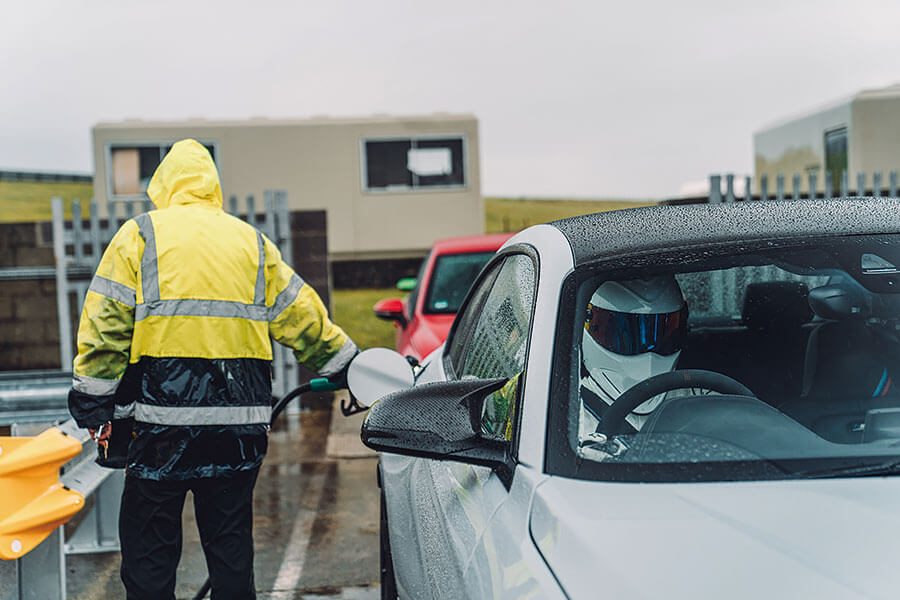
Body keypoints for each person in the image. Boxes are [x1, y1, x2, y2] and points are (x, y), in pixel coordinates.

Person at [66, 139, 357, 600]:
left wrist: (93, 400)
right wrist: (344, 364)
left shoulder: (141, 235)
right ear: (212, 186)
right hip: (236, 431)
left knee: (149, 555)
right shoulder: (251, 243)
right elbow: (300, 315)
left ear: (163, 185)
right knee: (230, 552)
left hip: (158, 431)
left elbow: (106, 326)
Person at [580, 276, 688, 435]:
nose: (649, 356)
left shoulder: (703, 399)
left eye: (660, 334)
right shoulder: (572, 414)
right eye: (625, 334)